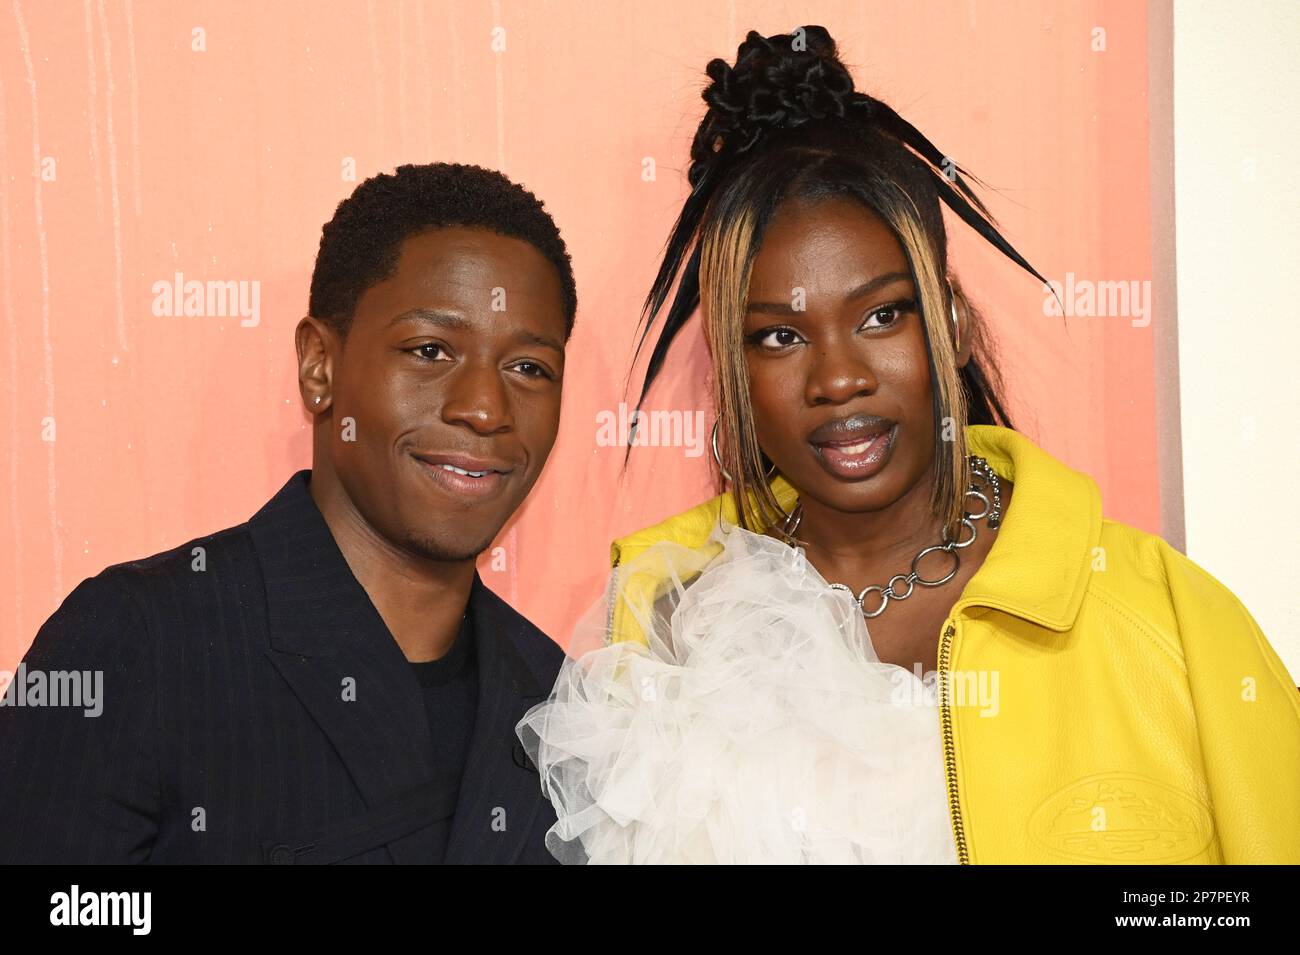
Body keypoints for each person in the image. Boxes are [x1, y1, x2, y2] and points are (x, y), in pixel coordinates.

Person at [517, 26, 1300, 864]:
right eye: (779, 337)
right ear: (731, 372)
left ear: (952, 323)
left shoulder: (1165, 621)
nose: (839, 377)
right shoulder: (662, 627)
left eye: (882, 314)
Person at [0, 162, 573, 864]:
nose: (484, 407)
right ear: (319, 367)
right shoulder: (140, 642)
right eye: (430, 350)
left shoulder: (559, 704)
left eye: (529, 368)